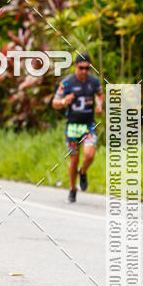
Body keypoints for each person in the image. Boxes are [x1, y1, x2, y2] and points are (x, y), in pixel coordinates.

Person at [52, 53, 103, 203]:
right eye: (81, 68)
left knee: (90, 155)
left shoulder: (94, 82)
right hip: (72, 127)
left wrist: (100, 104)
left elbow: (100, 94)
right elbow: (54, 103)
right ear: (75, 66)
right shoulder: (67, 83)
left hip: (88, 126)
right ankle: (72, 189)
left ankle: (83, 171)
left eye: (87, 68)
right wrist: (64, 101)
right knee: (74, 160)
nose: (84, 71)